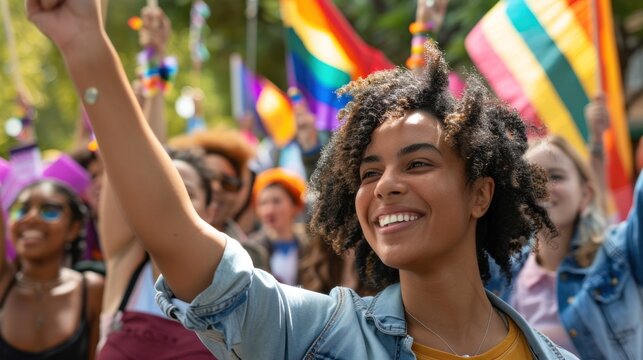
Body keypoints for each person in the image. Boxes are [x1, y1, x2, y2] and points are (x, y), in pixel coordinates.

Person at [26, 1, 576, 358]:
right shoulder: (316, 336)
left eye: (417, 163)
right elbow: (176, 234)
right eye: (367, 171)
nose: (385, 185)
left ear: (481, 193)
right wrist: (87, 49)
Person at [486, 125, 643, 358]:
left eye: (556, 176)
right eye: (533, 179)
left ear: (586, 194)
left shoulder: (620, 253)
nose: (544, 188)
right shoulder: (502, 276)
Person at [0, 180, 103, 359]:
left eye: (49, 211)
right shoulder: (3, 283)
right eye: (21, 211)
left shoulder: (91, 289)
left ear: (73, 228)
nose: (31, 217)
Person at [250, 168, 307, 285]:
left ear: (295, 205)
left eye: (276, 201)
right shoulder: (251, 249)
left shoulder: (310, 247)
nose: (269, 210)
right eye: (263, 203)